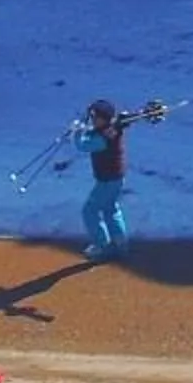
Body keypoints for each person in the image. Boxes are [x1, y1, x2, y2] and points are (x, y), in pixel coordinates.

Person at [75, 98, 132, 261]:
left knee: (90, 211)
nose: (92, 119)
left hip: (107, 180)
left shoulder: (105, 136)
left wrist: (77, 133)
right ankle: (120, 243)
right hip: (116, 178)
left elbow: (84, 146)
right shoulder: (110, 128)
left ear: (104, 118)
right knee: (110, 209)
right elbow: (94, 133)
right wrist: (84, 130)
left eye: (94, 117)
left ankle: (102, 246)